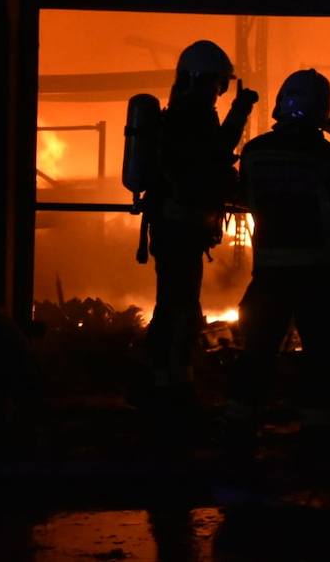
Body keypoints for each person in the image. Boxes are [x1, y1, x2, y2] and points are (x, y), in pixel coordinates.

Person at [226, 68, 330, 454]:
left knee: (258, 351)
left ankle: (239, 429)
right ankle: (319, 436)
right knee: (321, 356)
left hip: (270, 274)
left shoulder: (255, 153)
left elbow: (244, 197)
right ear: (323, 110)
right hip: (318, 277)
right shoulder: (329, 158)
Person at [143, 39, 257, 422]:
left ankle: (171, 383)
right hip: (180, 229)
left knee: (180, 306)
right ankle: (167, 389)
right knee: (177, 308)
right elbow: (215, 156)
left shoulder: (180, 115)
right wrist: (241, 111)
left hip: (177, 228)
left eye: (222, 86)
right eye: (216, 84)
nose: (218, 93)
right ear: (197, 80)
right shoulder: (192, 117)